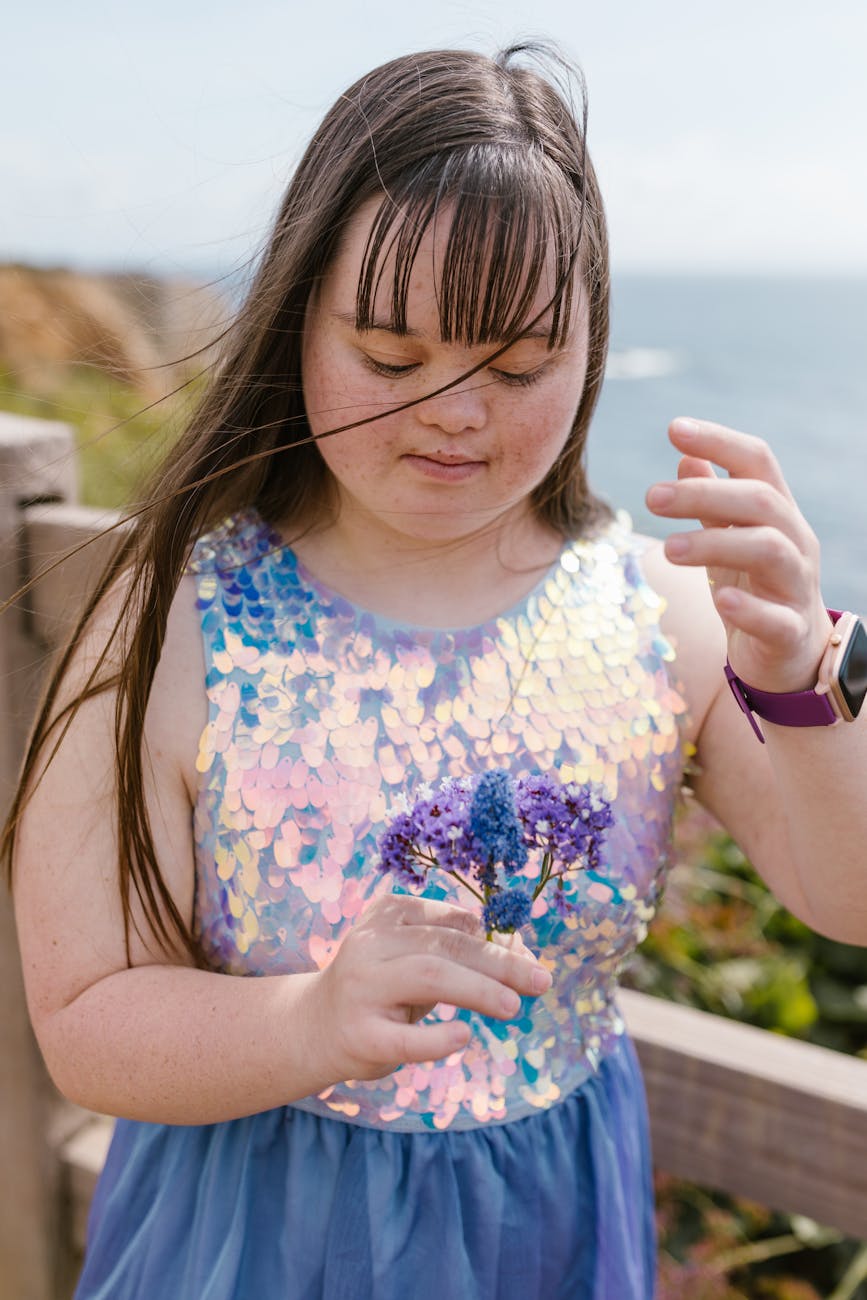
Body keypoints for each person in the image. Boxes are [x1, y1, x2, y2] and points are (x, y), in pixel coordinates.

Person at [4, 42, 866, 1300]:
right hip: (251, 1236)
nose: (455, 412)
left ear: (590, 348)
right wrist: (307, 1024)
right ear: (300, 315)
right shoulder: (178, 608)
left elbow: (845, 899)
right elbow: (84, 1018)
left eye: (517, 368)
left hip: (556, 1227)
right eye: (392, 358)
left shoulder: (660, 613)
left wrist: (797, 678)